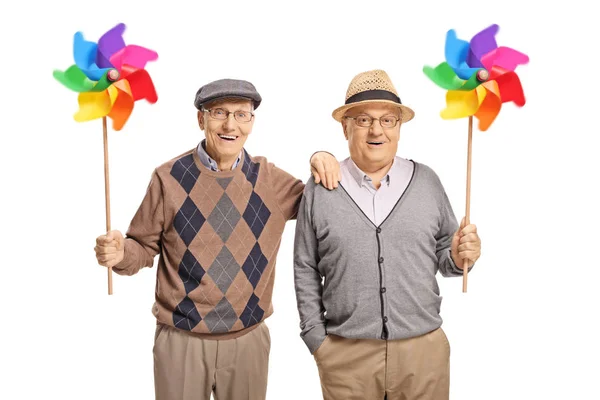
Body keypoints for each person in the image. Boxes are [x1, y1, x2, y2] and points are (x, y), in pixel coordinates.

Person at [93, 78, 340, 400]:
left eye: (241, 114)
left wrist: (322, 155)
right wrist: (119, 253)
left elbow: (327, 208)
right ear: (201, 119)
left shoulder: (269, 179)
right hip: (180, 339)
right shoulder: (168, 178)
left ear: (252, 122)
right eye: (218, 112)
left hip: (249, 340)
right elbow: (141, 247)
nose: (230, 124)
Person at [293, 69, 482, 400]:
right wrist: (316, 339)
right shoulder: (321, 188)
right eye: (364, 120)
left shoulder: (427, 182)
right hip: (344, 354)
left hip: (423, 353)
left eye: (388, 120)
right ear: (345, 126)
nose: (376, 130)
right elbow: (305, 265)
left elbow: (447, 259)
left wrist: (460, 255)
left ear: (399, 127)